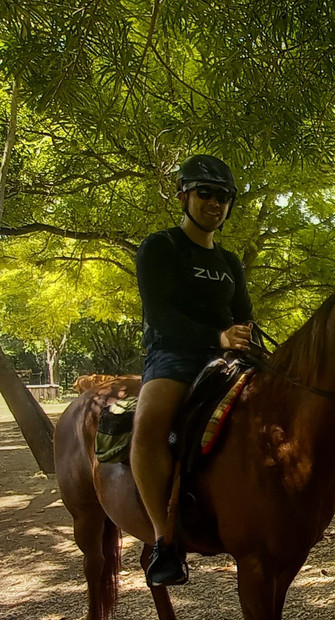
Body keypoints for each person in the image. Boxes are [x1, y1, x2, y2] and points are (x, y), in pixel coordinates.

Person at [131, 154, 254, 586]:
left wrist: (243, 337)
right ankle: (164, 541)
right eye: (206, 193)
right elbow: (161, 316)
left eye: (223, 197)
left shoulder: (230, 263)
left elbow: (244, 314)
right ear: (184, 196)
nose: (215, 203)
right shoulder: (159, 247)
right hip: (174, 354)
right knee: (149, 425)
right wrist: (218, 337)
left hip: (230, 358)